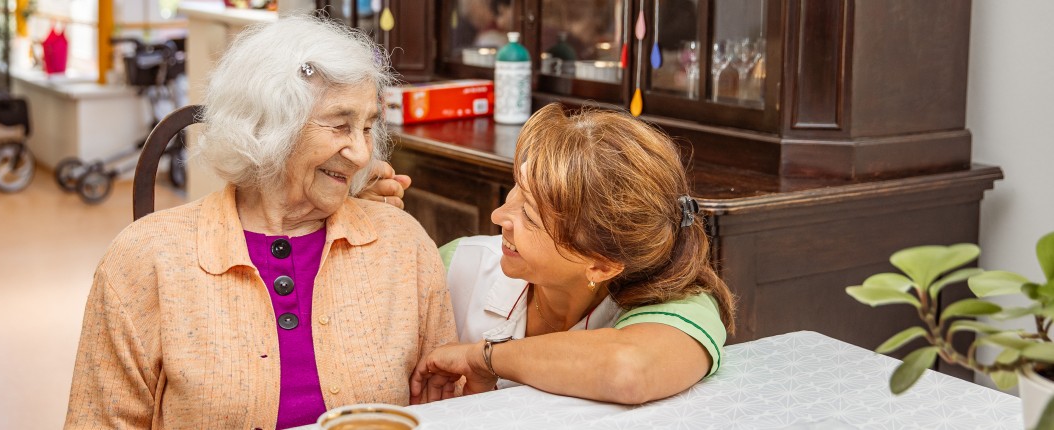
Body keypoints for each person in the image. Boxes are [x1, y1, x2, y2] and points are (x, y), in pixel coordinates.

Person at [64, 16, 455, 429]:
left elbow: (449, 410)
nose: (361, 153)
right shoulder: (147, 257)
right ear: (268, 127)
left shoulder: (401, 242)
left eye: (368, 127)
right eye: (340, 126)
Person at [409, 103, 737, 405]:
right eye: (516, 190)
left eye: (530, 216)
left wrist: (484, 358)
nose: (499, 216)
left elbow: (627, 371)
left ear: (600, 265)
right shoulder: (457, 264)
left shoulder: (682, 303)